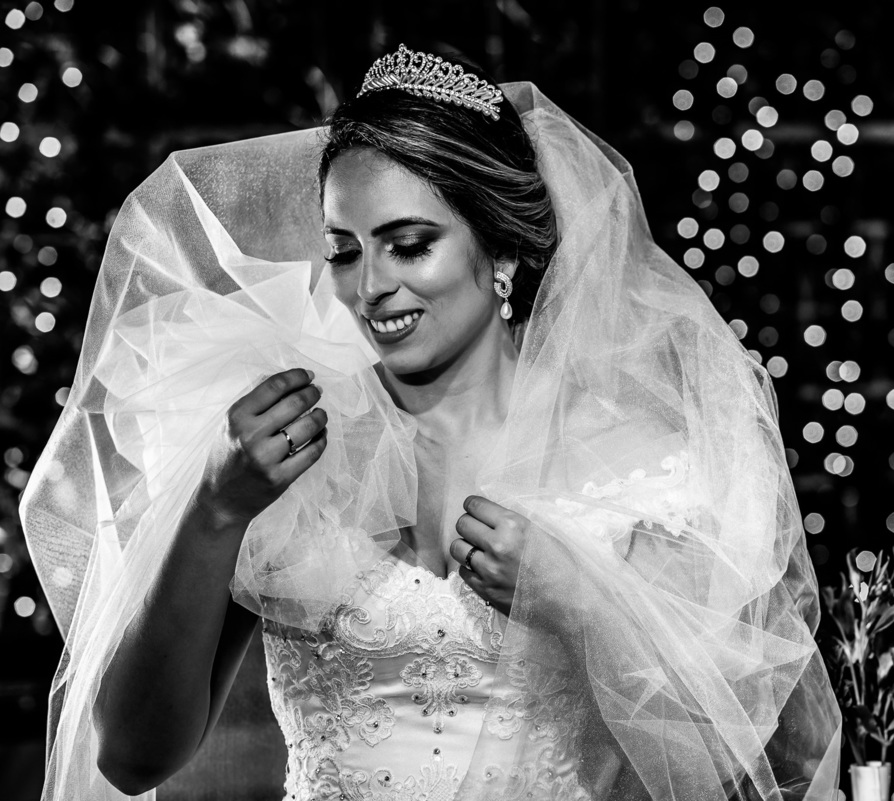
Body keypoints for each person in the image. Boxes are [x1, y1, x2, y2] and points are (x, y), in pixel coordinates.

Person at [21, 44, 841, 801]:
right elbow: (131, 757)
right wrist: (213, 508)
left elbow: (733, 769)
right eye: (345, 250)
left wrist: (582, 602)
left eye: (408, 244)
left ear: (503, 251)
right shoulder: (288, 452)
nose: (369, 287)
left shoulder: (642, 466)